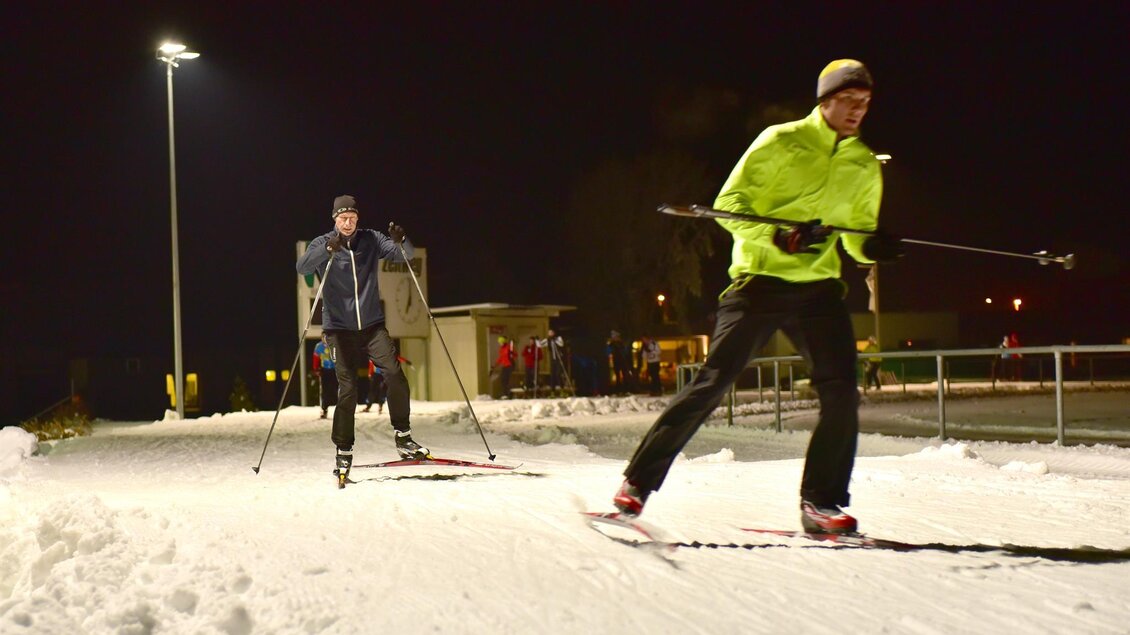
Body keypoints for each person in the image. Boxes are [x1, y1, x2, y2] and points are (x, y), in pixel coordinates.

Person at [613, 60, 904, 535]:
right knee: (714, 379)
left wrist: (874, 246)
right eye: (849, 100)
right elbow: (730, 206)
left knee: (842, 392)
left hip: (818, 287)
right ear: (825, 100)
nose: (858, 110)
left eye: (865, 102)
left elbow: (855, 236)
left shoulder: (863, 164)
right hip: (760, 279)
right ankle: (637, 483)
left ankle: (821, 503)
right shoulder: (780, 141)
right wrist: (777, 238)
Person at [296, 194, 429, 480]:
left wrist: (401, 238)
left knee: (394, 372)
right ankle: (343, 450)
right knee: (348, 389)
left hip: (371, 326)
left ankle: (403, 436)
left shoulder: (370, 239)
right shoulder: (323, 242)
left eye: (353, 218)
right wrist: (327, 250)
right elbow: (303, 267)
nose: (348, 223)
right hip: (339, 330)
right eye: (343, 218)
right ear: (334, 219)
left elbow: (404, 255)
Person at [312, 333, 337, 419]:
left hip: (335, 370)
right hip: (325, 370)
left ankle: (341, 410)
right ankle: (324, 408)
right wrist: (316, 369)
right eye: (323, 337)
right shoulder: (319, 347)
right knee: (325, 390)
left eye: (327, 337)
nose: (325, 339)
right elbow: (316, 358)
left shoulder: (334, 344)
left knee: (336, 389)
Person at [538, 329, 569, 396]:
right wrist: (537, 340)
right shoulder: (548, 340)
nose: (550, 334)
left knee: (558, 374)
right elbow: (540, 345)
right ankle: (552, 391)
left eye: (551, 332)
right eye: (549, 333)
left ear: (554, 333)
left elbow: (561, 344)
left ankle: (562, 389)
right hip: (552, 359)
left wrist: (554, 340)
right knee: (552, 375)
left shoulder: (558, 338)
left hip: (559, 358)